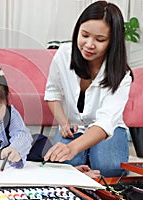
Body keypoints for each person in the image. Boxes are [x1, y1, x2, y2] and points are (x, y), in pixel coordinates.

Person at [44, 1, 133, 177]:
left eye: (100, 40)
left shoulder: (122, 75)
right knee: (65, 164)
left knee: (109, 168)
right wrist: (64, 123)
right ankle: (84, 162)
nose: (89, 44)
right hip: (74, 127)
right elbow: (52, 93)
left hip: (109, 130)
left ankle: (89, 159)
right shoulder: (64, 54)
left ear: (112, 42)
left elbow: (106, 122)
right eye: (84, 35)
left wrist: (72, 148)